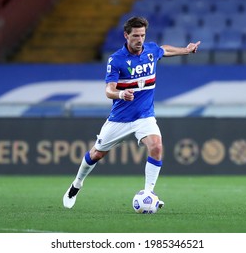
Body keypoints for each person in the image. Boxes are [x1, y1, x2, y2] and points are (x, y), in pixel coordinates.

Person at [63, 16, 201, 209]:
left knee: (157, 146)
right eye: (136, 35)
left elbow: (164, 49)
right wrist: (120, 94)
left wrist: (185, 51)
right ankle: (77, 183)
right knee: (96, 154)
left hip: (144, 116)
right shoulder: (116, 60)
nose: (140, 40)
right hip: (119, 119)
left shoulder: (150, 50)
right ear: (126, 35)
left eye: (143, 35)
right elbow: (108, 90)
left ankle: (148, 193)